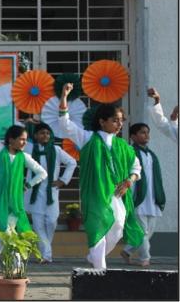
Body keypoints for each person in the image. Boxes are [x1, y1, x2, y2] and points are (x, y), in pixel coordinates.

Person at [58, 83, 144, 269]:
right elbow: (65, 125)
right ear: (102, 122)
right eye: (115, 120)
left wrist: (129, 181)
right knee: (98, 227)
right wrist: (64, 97)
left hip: (117, 193)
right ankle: (100, 270)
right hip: (96, 193)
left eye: (121, 120)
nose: (119, 124)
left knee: (118, 226)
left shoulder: (123, 146)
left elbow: (136, 167)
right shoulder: (88, 138)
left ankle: (94, 258)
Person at [0, 98, 47, 273]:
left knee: (10, 233)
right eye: (21, 139)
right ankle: (14, 268)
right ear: (11, 140)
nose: (24, 142)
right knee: (8, 233)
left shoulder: (24, 157)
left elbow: (42, 173)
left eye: (25, 139)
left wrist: (27, 185)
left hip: (15, 203)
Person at [24, 122, 77, 264]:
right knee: (38, 225)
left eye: (47, 133)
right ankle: (46, 255)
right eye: (42, 133)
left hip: (51, 191)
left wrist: (63, 180)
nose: (45, 135)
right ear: (35, 136)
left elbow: (72, 162)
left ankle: (45, 250)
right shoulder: (29, 149)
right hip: (34, 192)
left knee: (52, 222)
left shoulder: (56, 150)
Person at [121, 123, 166, 267]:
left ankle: (127, 251)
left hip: (152, 197)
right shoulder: (129, 152)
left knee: (149, 231)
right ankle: (144, 259)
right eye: (142, 133)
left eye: (147, 132)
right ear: (133, 136)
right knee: (141, 230)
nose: (146, 135)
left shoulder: (151, 154)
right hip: (138, 197)